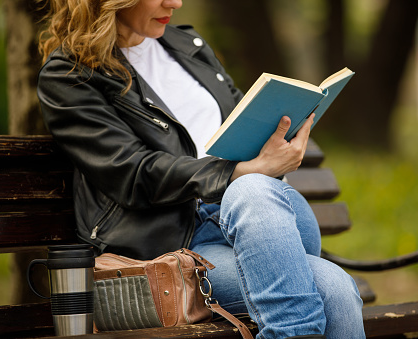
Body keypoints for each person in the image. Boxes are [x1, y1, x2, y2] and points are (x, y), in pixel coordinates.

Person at [37, 1, 365, 338]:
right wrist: (237, 173)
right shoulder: (70, 76)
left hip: (259, 216)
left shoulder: (185, 44)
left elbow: (242, 121)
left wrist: (279, 144)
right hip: (178, 245)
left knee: (252, 190)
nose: (175, 3)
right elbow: (133, 173)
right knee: (335, 289)